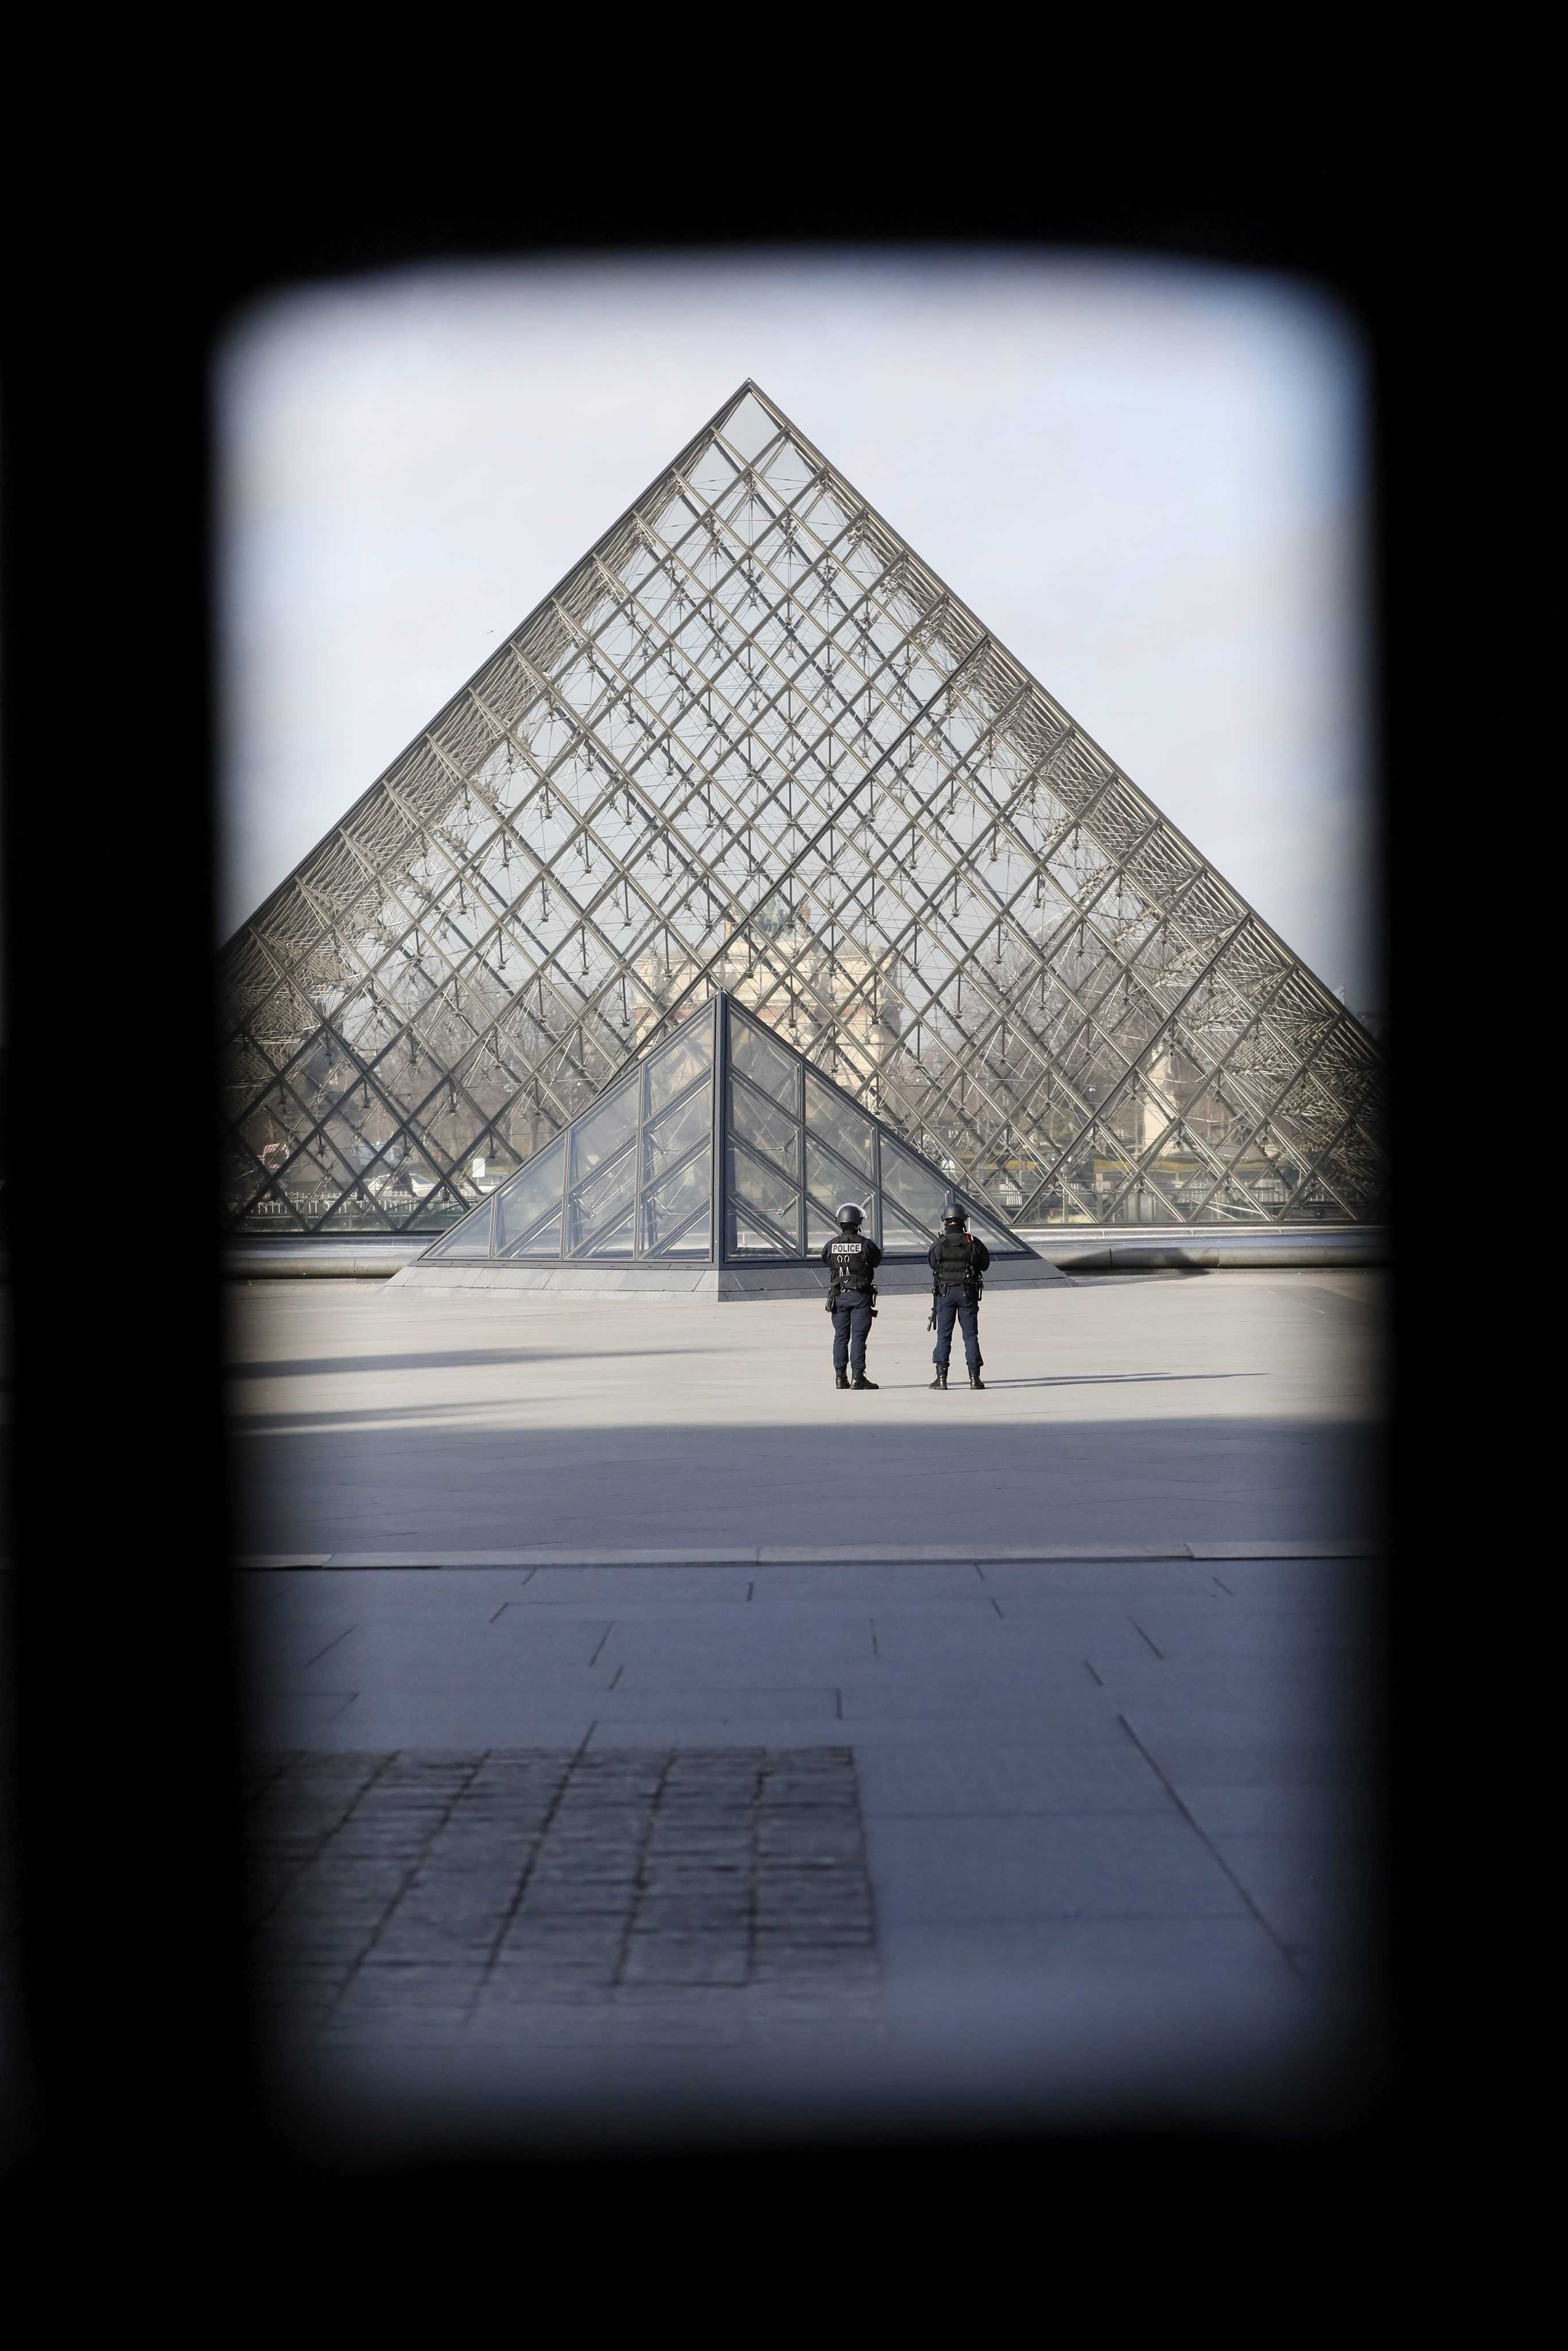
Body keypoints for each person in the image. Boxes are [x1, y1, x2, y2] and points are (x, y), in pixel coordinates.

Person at [927, 1193, 990, 1390]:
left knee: (944, 1335)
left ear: (945, 1221)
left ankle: (942, 1379)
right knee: (970, 1336)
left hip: (945, 1294)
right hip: (967, 1293)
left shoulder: (939, 1244)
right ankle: (975, 1379)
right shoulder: (973, 1242)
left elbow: (932, 1265)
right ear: (964, 1221)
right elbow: (985, 1264)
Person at [822, 1201, 882, 1390]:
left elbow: (827, 1261)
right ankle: (858, 1378)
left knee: (840, 1337)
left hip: (838, 1296)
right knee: (858, 1338)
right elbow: (877, 1260)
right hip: (860, 1296)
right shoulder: (865, 1244)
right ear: (858, 1223)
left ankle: (841, 1379)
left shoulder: (831, 1245)